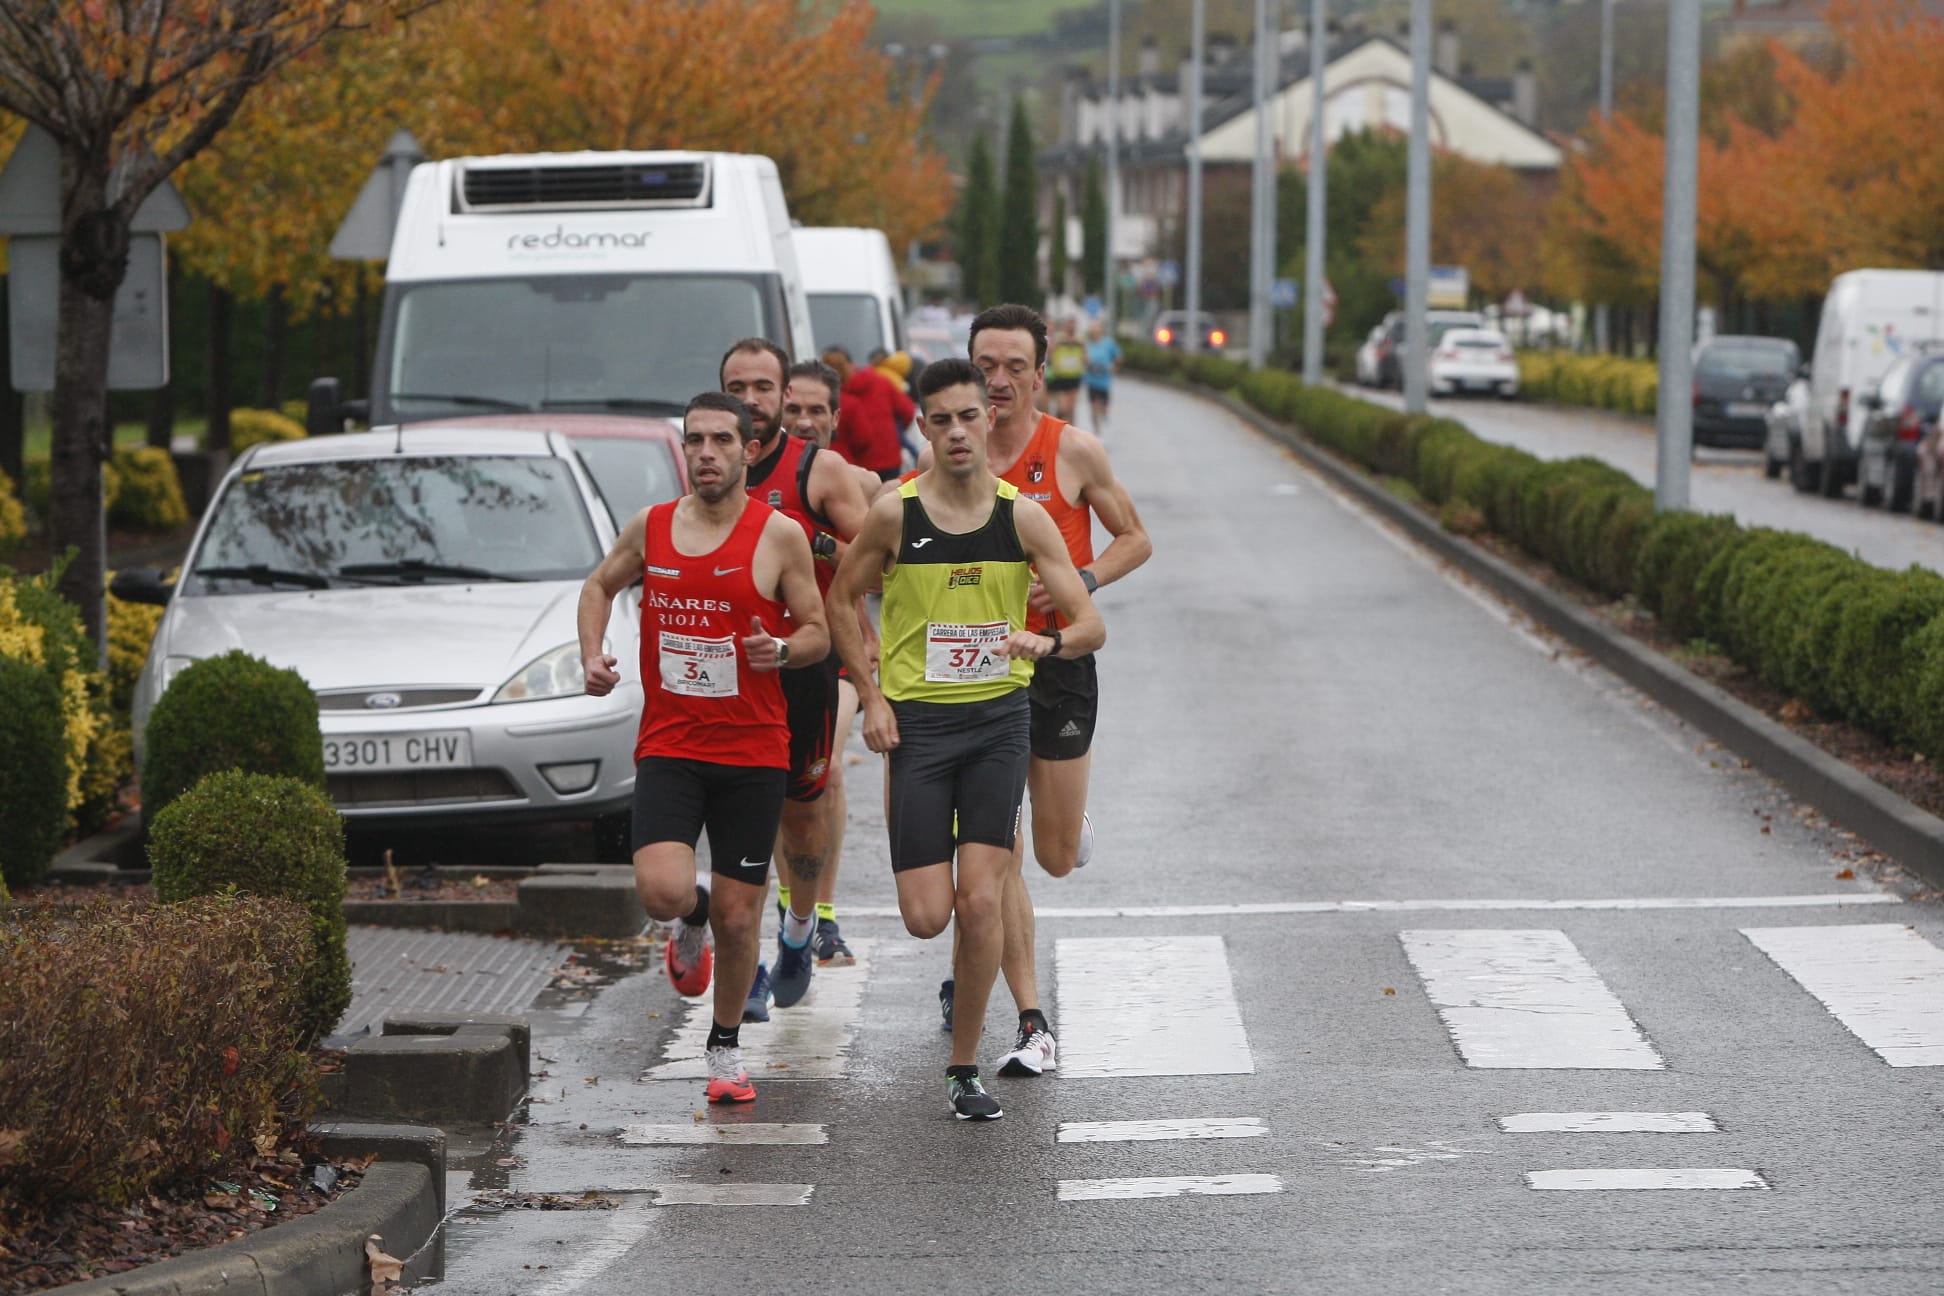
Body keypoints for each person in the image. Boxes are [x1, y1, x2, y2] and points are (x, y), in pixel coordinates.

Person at [824, 356, 1104, 1120]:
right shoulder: (895, 514)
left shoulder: (1024, 517)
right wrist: (872, 698)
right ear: (924, 427)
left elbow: (1089, 623)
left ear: (990, 420)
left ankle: (963, 1068)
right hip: (919, 727)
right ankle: (963, 1019)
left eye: (968, 416)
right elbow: (843, 601)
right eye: (940, 418)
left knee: (982, 903)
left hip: (997, 724)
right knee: (927, 914)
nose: (956, 431)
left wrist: (1046, 645)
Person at [578, 391, 829, 1105]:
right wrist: (592, 653)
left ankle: (723, 1049)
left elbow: (817, 630)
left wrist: (780, 647)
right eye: (695, 441)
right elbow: (599, 584)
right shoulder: (652, 528)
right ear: (682, 450)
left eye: (722, 440)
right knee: (661, 890)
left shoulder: (777, 535)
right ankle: (689, 921)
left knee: (742, 913)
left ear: (749, 452)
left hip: (753, 750)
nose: (707, 453)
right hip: (672, 743)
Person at [944, 303, 1151, 1078]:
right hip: (974, 669)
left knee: (1057, 857)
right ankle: (1032, 1020)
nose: (998, 382)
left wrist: (1081, 582)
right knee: (995, 860)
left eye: (1014, 368)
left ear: (1042, 369)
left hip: (1058, 660)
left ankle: (1068, 814)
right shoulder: (947, 453)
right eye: (985, 367)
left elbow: (1136, 536)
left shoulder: (1072, 452)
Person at [720, 340, 873, 1020]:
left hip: (814, 660)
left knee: (804, 814)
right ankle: (745, 965)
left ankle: (802, 930)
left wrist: (802, 539)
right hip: (730, 671)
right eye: (736, 386)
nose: (749, 399)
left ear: (783, 396)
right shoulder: (704, 461)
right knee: (736, 820)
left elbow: (876, 561)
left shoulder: (820, 470)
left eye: (762, 387)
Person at [779, 358, 893, 967]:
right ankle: (788, 902)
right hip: (781, 648)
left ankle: (821, 914)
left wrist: (816, 538)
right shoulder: (754, 473)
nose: (803, 421)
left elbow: (881, 564)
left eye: (816, 410)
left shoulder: (854, 480)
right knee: (781, 788)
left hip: (844, 649)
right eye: (793, 408)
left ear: (835, 417)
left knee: (828, 775)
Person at [825, 345, 915, 481]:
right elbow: (907, 410)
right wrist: (896, 435)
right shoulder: (881, 382)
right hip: (889, 457)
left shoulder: (834, 398)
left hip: (854, 465)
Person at [1083, 320, 1122, 436]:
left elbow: (1119, 357)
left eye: (1097, 329)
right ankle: (1097, 431)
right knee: (1093, 408)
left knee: (1103, 408)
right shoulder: (1087, 344)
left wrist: (1114, 366)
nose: (1095, 332)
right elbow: (1082, 359)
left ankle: (1104, 417)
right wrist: (1086, 362)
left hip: (1104, 381)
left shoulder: (1108, 343)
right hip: (1091, 380)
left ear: (1101, 330)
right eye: (1093, 330)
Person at [1045, 318, 1087, 423]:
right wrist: (1054, 366)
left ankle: (1071, 431)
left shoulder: (1080, 340)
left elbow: (1086, 357)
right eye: (1069, 324)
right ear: (1065, 326)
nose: (1071, 327)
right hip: (1061, 376)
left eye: (1073, 325)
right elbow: (1050, 353)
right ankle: (1057, 425)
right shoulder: (1059, 339)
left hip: (1075, 376)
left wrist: (1084, 365)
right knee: (1063, 407)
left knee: (1071, 408)